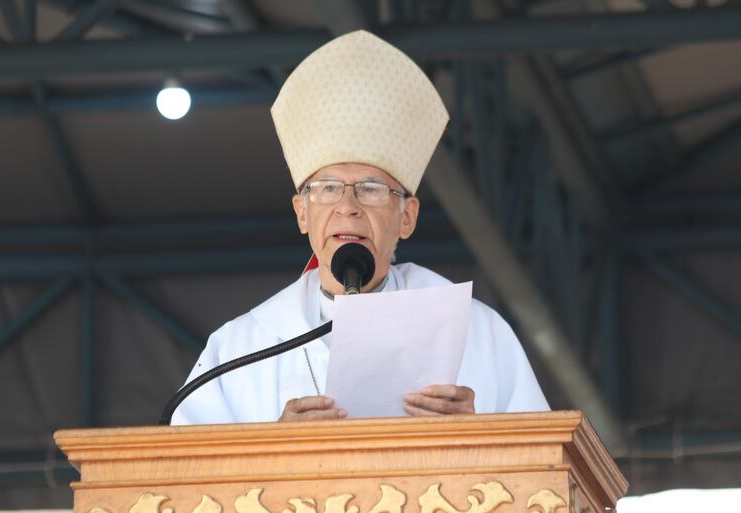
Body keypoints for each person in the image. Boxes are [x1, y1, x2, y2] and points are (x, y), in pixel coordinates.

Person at [171, 30, 548, 425]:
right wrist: (274, 448)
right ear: (302, 212)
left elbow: (544, 470)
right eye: (328, 188)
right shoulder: (241, 348)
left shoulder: (477, 332)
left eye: (370, 189)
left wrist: (483, 433)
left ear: (407, 217)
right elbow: (185, 476)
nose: (347, 208)